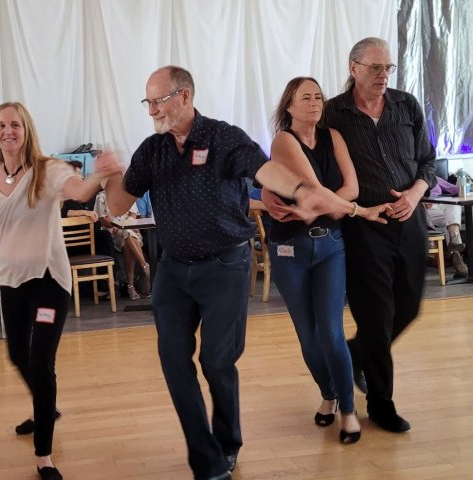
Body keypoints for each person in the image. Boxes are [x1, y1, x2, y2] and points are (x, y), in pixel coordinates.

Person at [103, 66, 376, 480]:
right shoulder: (152, 150)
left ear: (185, 96)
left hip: (225, 266)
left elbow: (264, 170)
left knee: (217, 362)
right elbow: (118, 205)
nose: (152, 110)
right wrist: (108, 175)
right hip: (173, 272)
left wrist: (301, 191)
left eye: (159, 101)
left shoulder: (222, 137)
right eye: (148, 102)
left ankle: (227, 443)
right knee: (173, 360)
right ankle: (207, 458)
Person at [0, 102, 119, 480]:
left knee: (41, 362)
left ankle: (44, 456)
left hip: (48, 284)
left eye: (15, 125)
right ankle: (45, 407)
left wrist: (100, 175)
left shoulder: (48, 170)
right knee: (17, 355)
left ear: (27, 131)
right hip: (12, 281)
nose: (8, 131)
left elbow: (79, 190)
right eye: (1, 126)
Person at [266, 76, 394, 445]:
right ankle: (329, 394)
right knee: (308, 336)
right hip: (290, 249)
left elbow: (350, 187)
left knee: (332, 332)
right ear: (289, 106)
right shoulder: (283, 140)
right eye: (305, 97)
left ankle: (348, 412)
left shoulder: (333, 137)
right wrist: (355, 210)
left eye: (318, 97)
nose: (314, 103)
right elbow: (315, 190)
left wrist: (327, 207)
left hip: (331, 245)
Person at [321, 37, 436, 432]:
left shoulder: (406, 105)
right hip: (363, 225)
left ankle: (354, 354)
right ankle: (381, 405)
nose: (383, 75)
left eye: (388, 67)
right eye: (375, 67)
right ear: (353, 68)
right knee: (375, 316)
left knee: (409, 308)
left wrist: (416, 193)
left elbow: (427, 162)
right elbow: (312, 159)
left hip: (409, 220)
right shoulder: (333, 113)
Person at [93, 187, 151, 299]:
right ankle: (144, 266)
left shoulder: (128, 193)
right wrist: (115, 225)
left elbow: (133, 214)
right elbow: (102, 219)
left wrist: (125, 224)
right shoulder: (101, 196)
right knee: (126, 234)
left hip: (129, 230)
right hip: (112, 232)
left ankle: (131, 286)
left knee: (127, 234)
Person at [425, 176, 467, 276]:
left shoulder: (434, 178)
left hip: (440, 205)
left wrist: (464, 185)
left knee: (454, 205)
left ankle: (455, 240)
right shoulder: (408, 178)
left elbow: (455, 189)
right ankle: (456, 255)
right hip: (425, 209)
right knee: (450, 220)